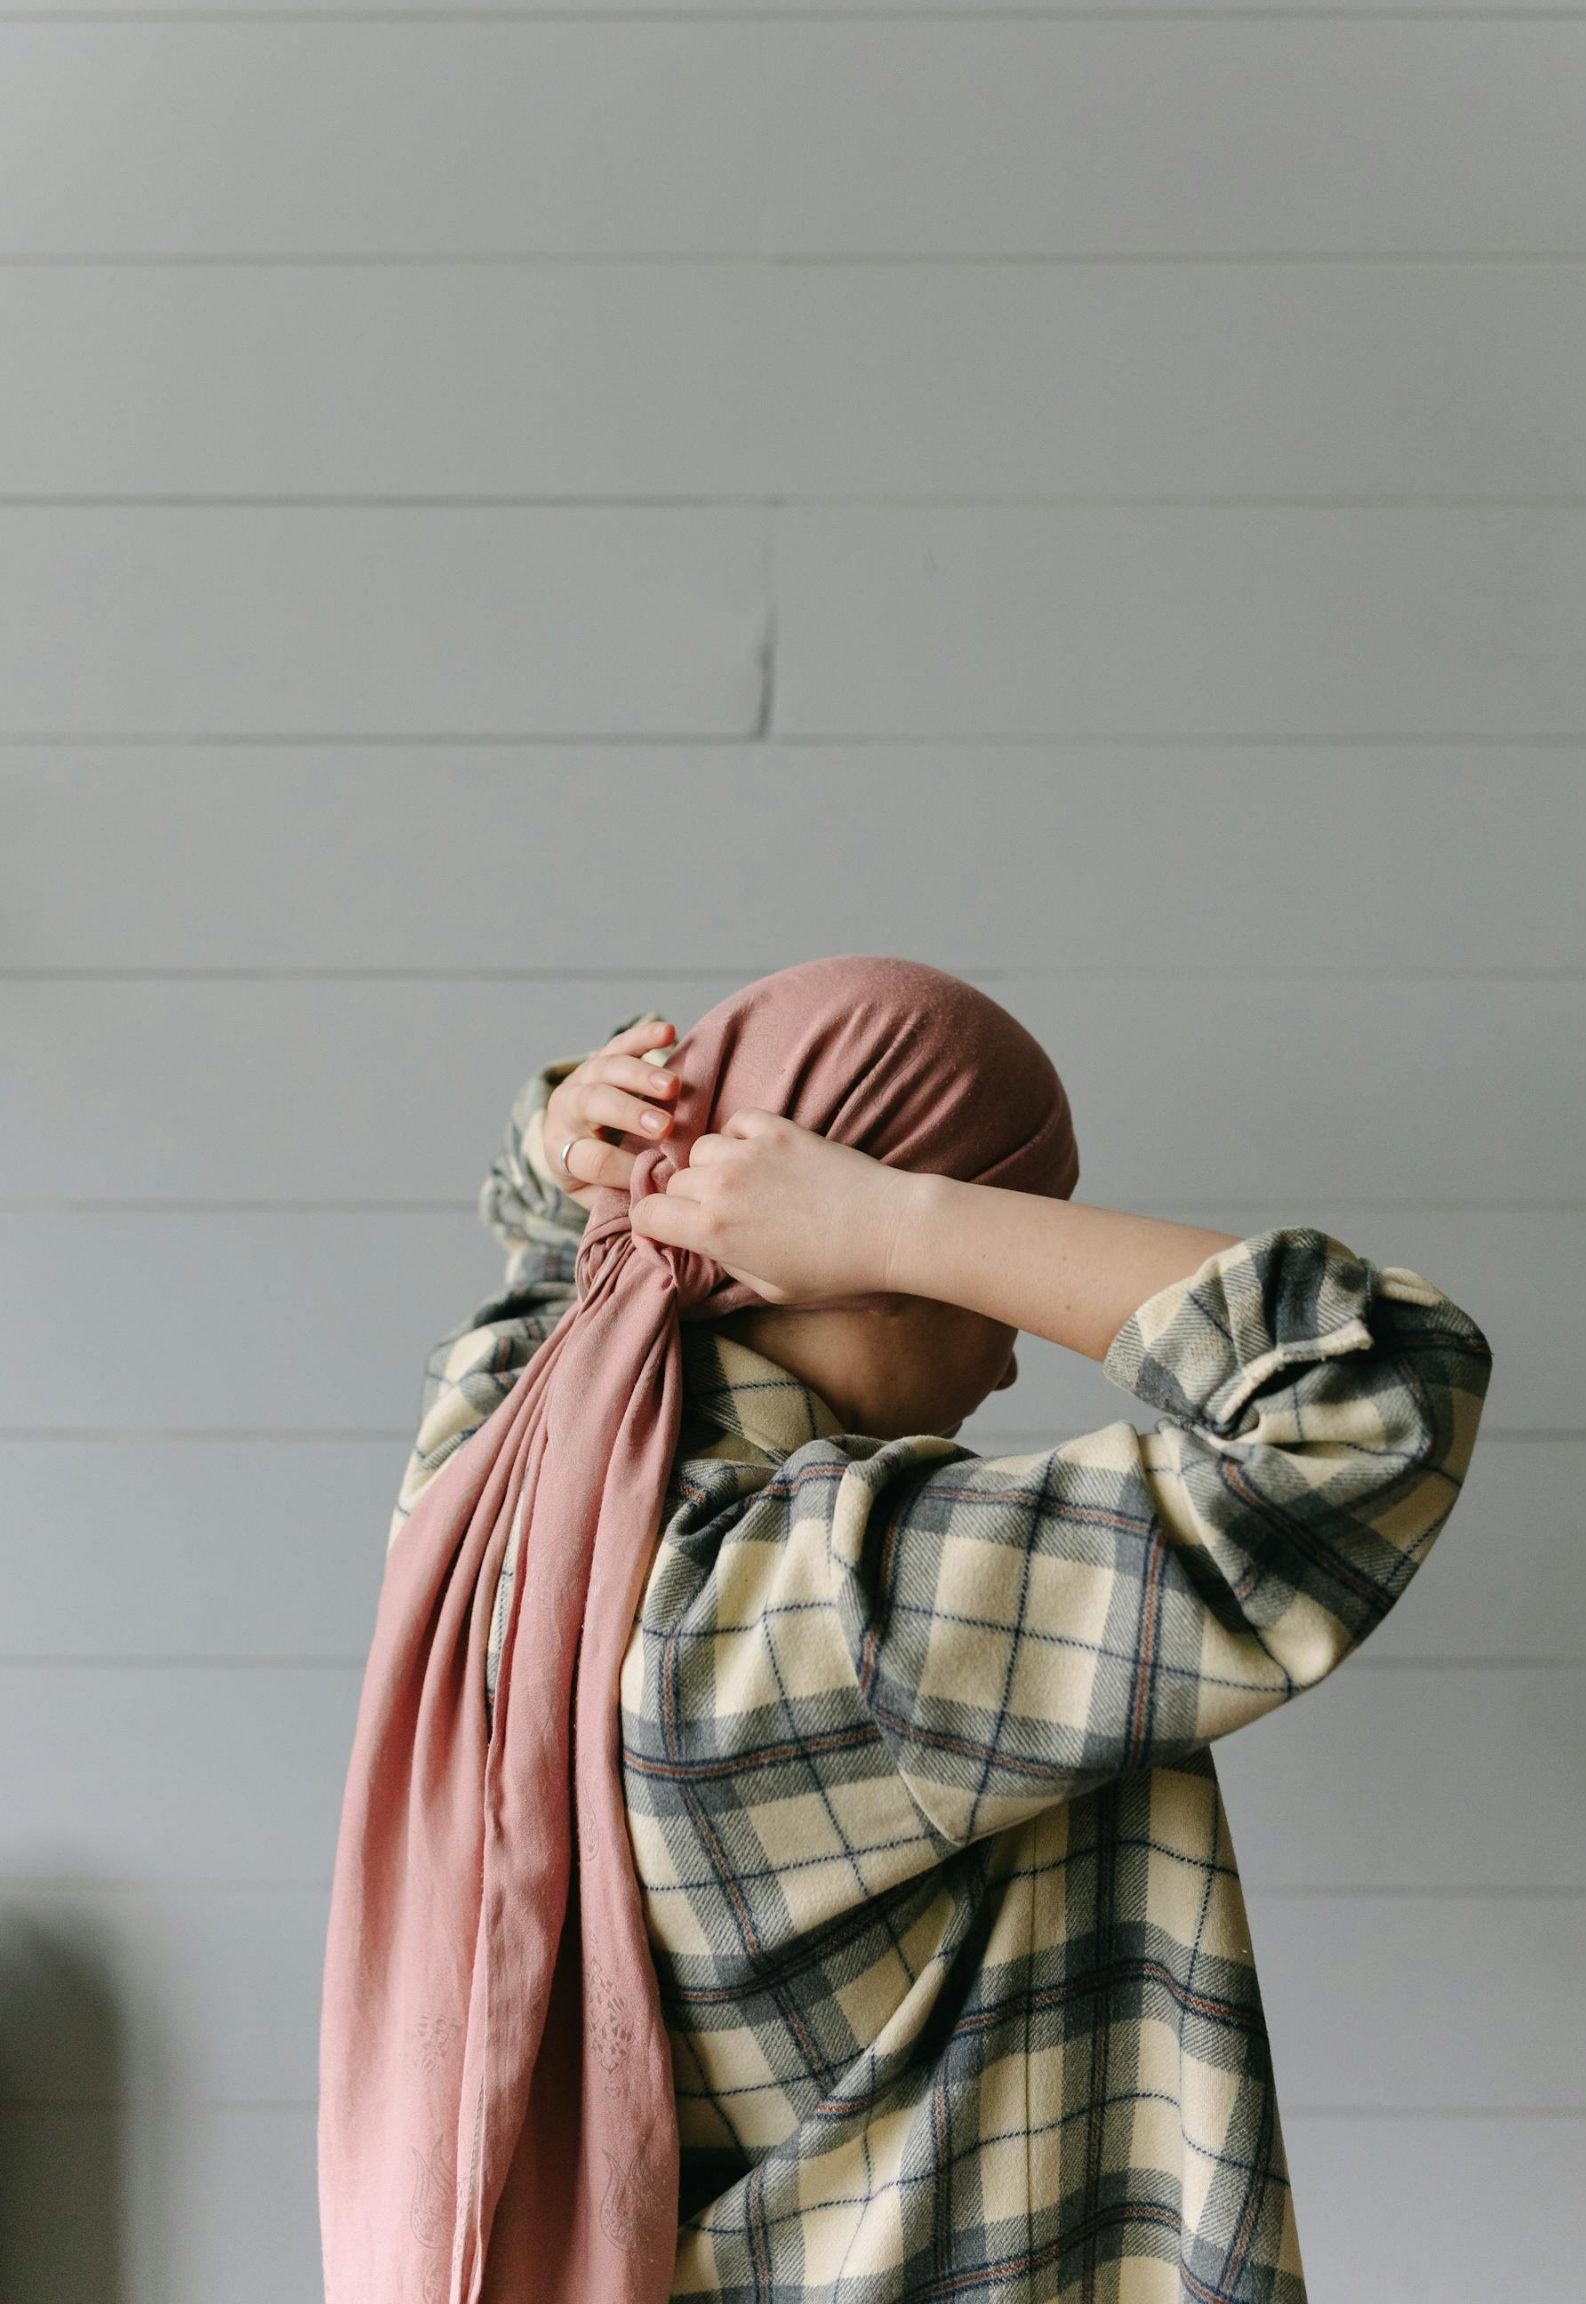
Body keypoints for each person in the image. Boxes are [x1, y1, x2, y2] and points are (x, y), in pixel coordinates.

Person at [381, 986, 1494, 2302]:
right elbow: (1377, 1391)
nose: (1014, 1355)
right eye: (995, 1267)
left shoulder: (486, 1479)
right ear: (847, 1255)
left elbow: (544, 1219)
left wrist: (574, 1128)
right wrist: (906, 1223)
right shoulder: (852, 1602)